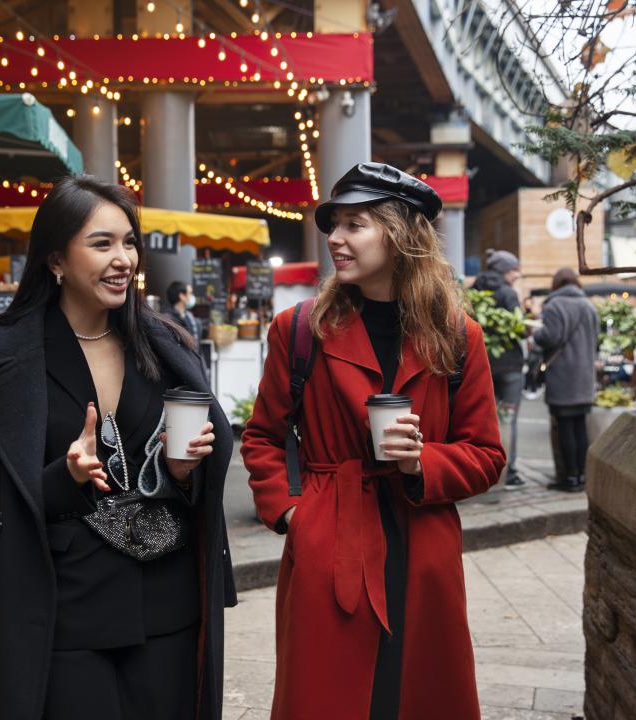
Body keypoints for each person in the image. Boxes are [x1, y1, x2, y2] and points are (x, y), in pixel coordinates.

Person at [0, 175, 237, 720]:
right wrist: (62, 479)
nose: (123, 259)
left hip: (168, 607)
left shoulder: (165, 348)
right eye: (102, 244)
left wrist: (183, 472)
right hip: (62, 614)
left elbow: (198, 489)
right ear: (56, 259)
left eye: (128, 242)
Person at [242, 162, 506, 720]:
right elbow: (263, 435)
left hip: (424, 546)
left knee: (417, 693)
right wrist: (293, 514)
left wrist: (422, 462)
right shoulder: (300, 328)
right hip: (328, 540)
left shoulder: (459, 335)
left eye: (355, 224)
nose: (335, 239)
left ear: (401, 232)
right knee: (327, 695)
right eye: (334, 225)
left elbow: (485, 455)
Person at [532, 267, 600, 492]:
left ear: (556, 284)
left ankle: (569, 478)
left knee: (564, 428)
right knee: (580, 427)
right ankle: (581, 476)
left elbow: (550, 336)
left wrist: (536, 334)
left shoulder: (555, 305)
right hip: (584, 377)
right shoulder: (589, 305)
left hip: (563, 376)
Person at [471, 249, 526, 488]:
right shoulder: (507, 293)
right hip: (510, 367)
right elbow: (520, 328)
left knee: (482, 419)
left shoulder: (474, 292)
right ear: (504, 270)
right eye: (514, 270)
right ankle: (508, 473)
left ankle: (482, 470)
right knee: (508, 418)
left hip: (481, 365)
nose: (517, 274)